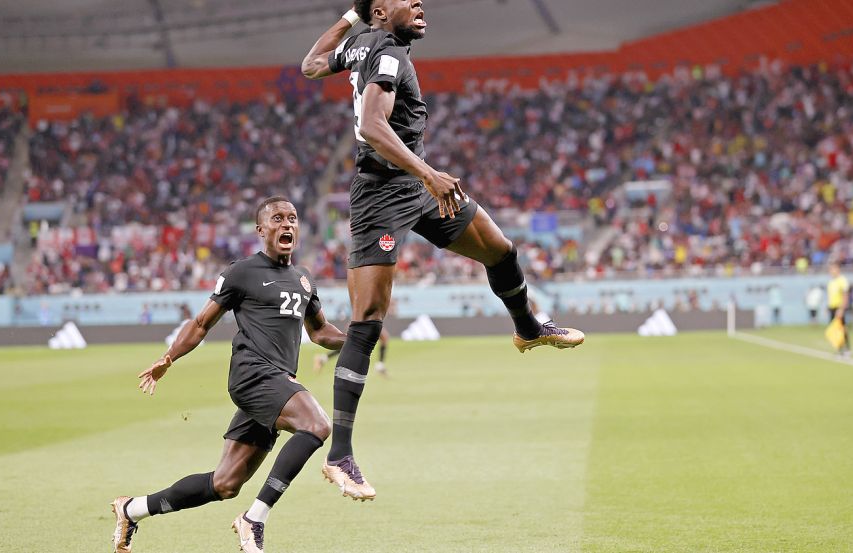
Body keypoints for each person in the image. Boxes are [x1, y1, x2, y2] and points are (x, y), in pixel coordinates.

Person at [300, 0, 585, 501]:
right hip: (384, 196)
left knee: (500, 248)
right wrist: (430, 174)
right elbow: (371, 124)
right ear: (383, 12)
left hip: (412, 185)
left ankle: (527, 328)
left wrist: (353, 14)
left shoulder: (364, 41)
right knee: (368, 321)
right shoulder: (386, 50)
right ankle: (340, 455)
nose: (419, 2)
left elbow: (311, 64)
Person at [110, 197, 346, 553]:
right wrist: (168, 358)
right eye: (278, 219)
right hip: (253, 376)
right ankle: (254, 519)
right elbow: (202, 322)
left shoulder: (303, 279)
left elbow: (320, 332)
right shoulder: (242, 272)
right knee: (317, 425)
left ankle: (133, 509)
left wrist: (356, 339)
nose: (287, 225)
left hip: (275, 384)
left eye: (293, 219)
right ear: (261, 230)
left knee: (225, 483)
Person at [315, 327, 390, 376]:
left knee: (384, 338)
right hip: (364, 320)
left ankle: (323, 358)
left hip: (368, 319)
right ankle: (322, 358)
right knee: (349, 344)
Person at [826, 264, 851, 356]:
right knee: (834, 330)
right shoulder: (831, 282)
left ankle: (847, 349)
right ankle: (840, 349)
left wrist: (841, 309)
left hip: (839, 307)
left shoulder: (842, 280)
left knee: (842, 329)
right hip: (832, 307)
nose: (831, 271)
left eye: (833, 269)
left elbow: (845, 296)